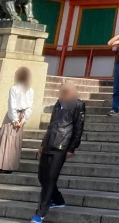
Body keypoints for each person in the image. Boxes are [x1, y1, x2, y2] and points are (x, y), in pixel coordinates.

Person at [31, 82, 84, 223]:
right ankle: (58, 199)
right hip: (49, 142)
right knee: (42, 177)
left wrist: (72, 147)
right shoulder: (57, 104)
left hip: (62, 145)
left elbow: (78, 128)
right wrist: (43, 143)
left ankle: (40, 213)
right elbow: (51, 124)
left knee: (50, 179)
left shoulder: (78, 105)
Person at [0, 66, 33, 173]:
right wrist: (23, 120)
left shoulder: (14, 88)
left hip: (12, 117)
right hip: (21, 116)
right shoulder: (30, 90)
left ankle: (1, 165)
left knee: (6, 140)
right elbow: (29, 107)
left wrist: (14, 119)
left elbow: (11, 105)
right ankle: (9, 166)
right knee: (13, 142)